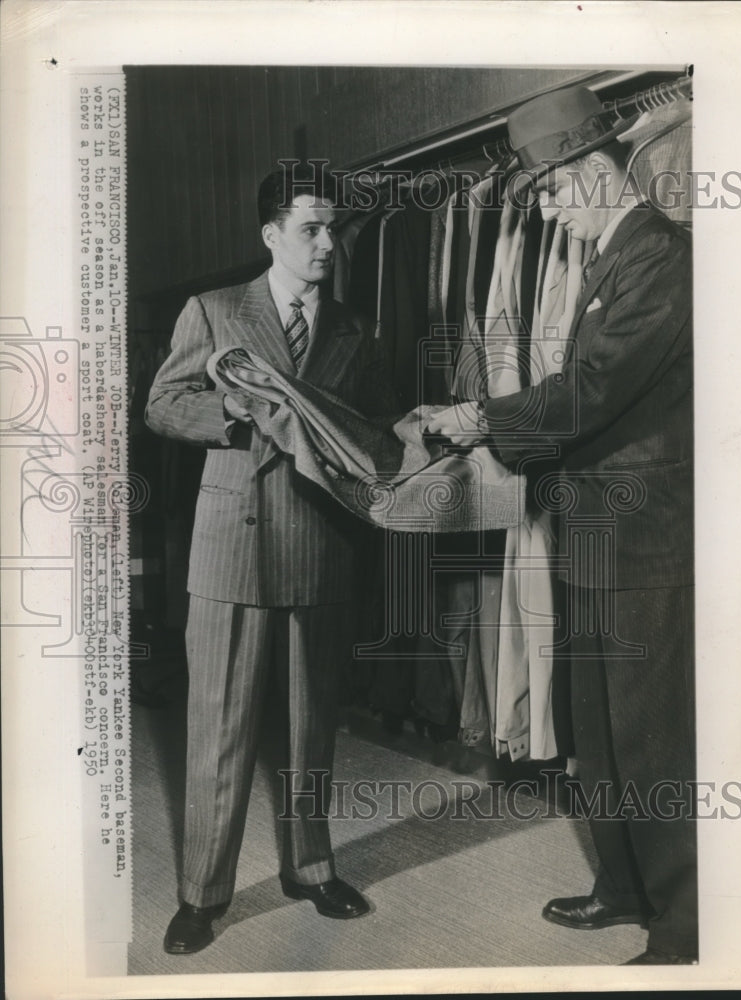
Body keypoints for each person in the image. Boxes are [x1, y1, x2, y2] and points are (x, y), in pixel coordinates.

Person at [427, 85, 696, 965]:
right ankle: (622, 887)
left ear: (588, 170)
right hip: (597, 535)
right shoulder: (616, 259)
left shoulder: (659, 254)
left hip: (643, 543)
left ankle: (685, 926)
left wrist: (480, 419)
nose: (543, 209)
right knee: (599, 731)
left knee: (652, 740)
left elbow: (591, 392)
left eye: (546, 189)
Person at [146, 163, 397, 955]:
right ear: (270, 235)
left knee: (309, 721)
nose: (326, 245)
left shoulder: (357, 330)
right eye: (309, 230)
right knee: (218, 726)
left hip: (320, 541)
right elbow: (160, 405)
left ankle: (311, 867)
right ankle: (202, 894)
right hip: (231, 545)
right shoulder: (215, 311)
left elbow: (365, 434)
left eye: (331, 230)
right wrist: (231, 407)